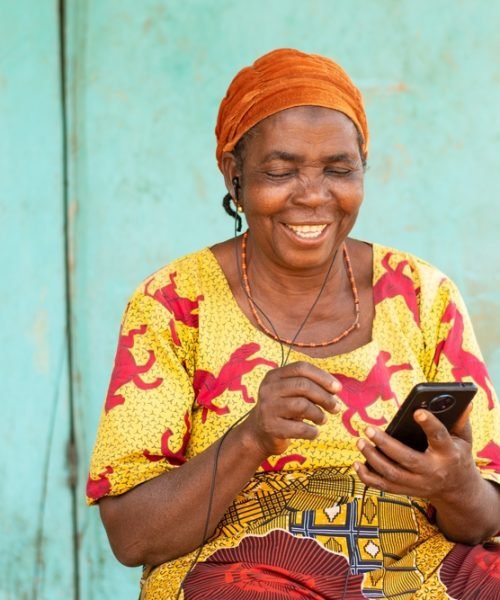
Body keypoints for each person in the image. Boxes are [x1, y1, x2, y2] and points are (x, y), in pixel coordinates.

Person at [87, 48, 500, 599]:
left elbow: (480, 523)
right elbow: (132, 537)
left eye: (339, 169)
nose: (312, 196)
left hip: (413, 568)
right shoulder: (173, 304)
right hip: (242, 574)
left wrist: (454, 486)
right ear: (234, 176)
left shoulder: (424, 295)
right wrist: (252, 436)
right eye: (280, 172)